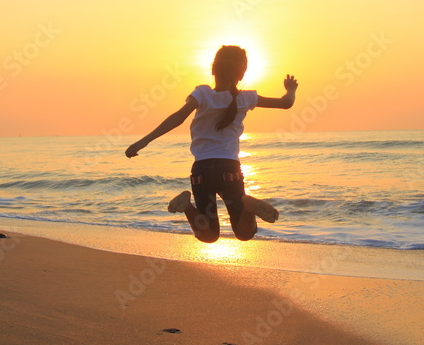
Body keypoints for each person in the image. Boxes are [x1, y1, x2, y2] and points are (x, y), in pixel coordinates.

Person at [125, 45, 298, 243]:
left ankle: (187, 207)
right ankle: (247, 207)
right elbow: (286, 103)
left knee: (208, 234)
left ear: (214, 69)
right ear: (241, 74)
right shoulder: (246, 97)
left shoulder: (202, 93)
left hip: (202, 171)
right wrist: (291, 90)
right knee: (243, 233)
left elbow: (178, 118)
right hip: (229, 170)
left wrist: (143, 141)